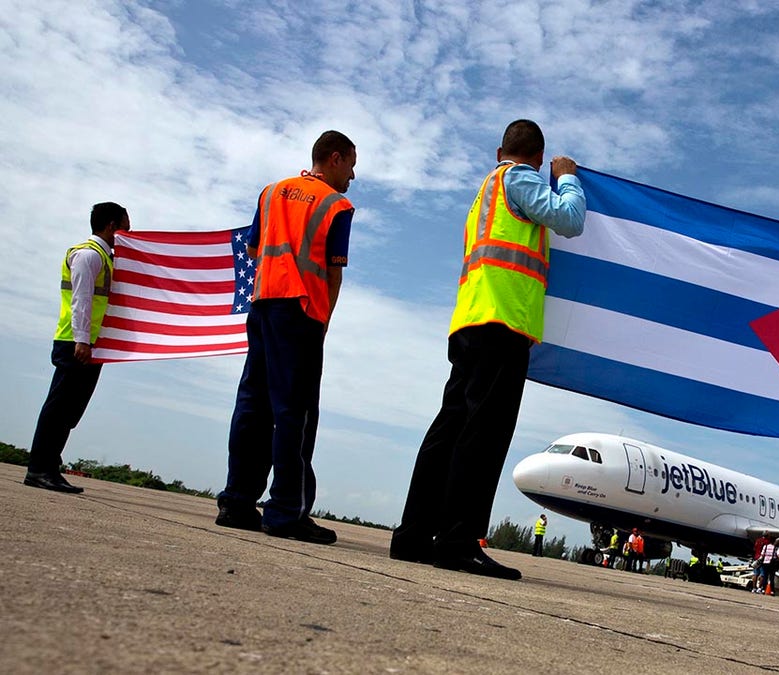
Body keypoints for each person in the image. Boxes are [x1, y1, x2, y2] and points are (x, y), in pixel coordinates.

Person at [389, 120, 586, 580]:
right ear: (537, 157)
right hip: (503, 320)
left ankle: (413, 534)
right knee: (485, 434)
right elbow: (570, 220)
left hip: (470, 320)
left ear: (500, 149)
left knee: (449, 428)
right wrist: (568, 177)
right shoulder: (519, 179)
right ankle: (457, 541)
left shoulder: (484, 193)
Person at [215, 130, 357, 545]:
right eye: (350, 165)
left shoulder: (271, 192)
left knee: (253, 403)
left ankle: (237, 501)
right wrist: (324, 321)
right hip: (302, 313)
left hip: (262, 303)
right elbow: (333, 271)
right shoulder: (337, 205)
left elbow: (254, 249)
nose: (352, 176)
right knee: (295, 413)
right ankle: (285, 511)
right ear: (334, 159)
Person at [26, 203, 131, 493]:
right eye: (125, 228)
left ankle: (49, 466)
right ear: (111, 226)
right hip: (76, 343)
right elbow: (81, 300)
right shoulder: (88, 255)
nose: (127, 235)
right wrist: (82, 341)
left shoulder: (106, 258)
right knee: (59, 407)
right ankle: (39, 468)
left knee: (70, 411)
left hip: (91, 345)